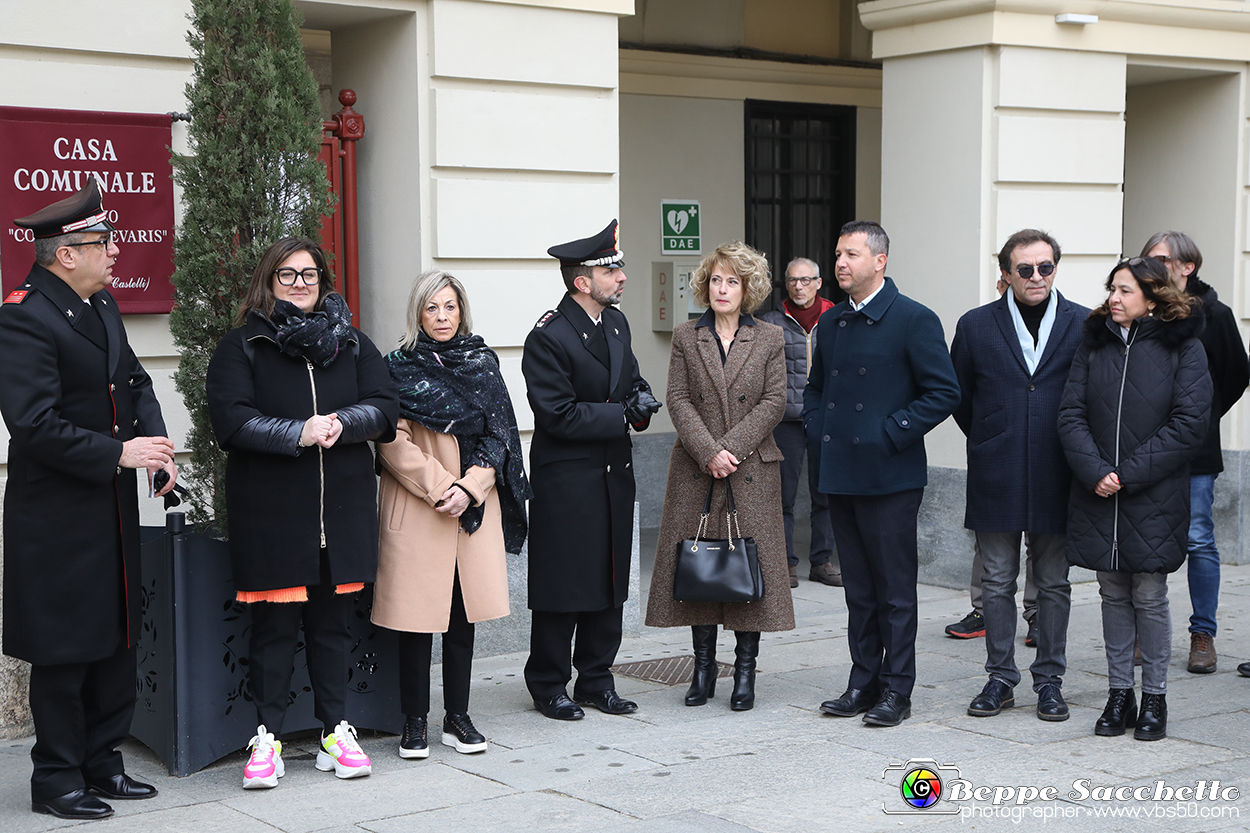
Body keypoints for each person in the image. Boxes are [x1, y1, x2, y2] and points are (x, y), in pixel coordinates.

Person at [0, 181, 177, 820]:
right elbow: (34, 423)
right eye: (103, 243)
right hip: (55, 517)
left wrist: (153, 445)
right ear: (65, 254)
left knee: (114, 639)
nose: (114, 253)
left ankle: (103, 763)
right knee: (65, 649)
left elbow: (131, 378)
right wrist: (117, 454)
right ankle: (56, 779)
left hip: (109, 509)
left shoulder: (99, 303)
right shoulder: (22, 313)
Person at [206, 237, 398, 787]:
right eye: (287, 275)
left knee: (333, 630)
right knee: (270, 633)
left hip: (341, 515)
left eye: (309, 274)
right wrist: (298, 432)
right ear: (269, 281)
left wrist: (344, 423)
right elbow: (233, 422)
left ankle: (335, 733)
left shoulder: (352, 343)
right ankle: (265, 739)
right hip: (273, 518)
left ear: (323, 281)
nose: (299, 284)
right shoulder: (244, 346)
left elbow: (385, 406)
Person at [803, 220, 960, 727]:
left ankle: (897, 689)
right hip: (840, 471)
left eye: (851, 254)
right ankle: (862, 681)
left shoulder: (914, 319)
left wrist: (890, 432)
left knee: (894, 590)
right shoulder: (831, 323)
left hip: (891, 475)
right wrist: (816, 425)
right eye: (837, 254)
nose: (840, 263)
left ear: (880, 261)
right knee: (858, 590)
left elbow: (943, 392)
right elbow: (816, 388)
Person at [373, 271, 530, 758]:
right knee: (418, 622)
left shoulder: (482, 363)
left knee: (464, 620)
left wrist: (473, 487)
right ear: (417, 315)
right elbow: (388, 439)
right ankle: (414, 721)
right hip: (422, 508)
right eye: (431, 309)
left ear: (461, 311)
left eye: (450, 307)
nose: (442, 317)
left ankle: (457, 717)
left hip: (473, 509)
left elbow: (501, 434)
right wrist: (444, 487)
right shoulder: (395, 367)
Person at [1058, 257, 1210, 742]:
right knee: (1111, 594)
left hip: (1152, 493)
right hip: (1099, 490)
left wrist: (1126, 474)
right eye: (1112, 289)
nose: (1114, 299)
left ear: (1153, 296)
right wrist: (1095, 470)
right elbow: (1070, 414)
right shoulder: (1095, 342)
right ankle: (1119, 693)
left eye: (1124, 290)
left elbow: (1189, 424)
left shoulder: (1184, 346)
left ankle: (1155, 698)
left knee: (1149, 594)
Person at [522, 220, 661, 720]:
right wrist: (620, 414)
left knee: (609, 581)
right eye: (611, 269)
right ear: (583, 281)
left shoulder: (616, 324)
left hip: (613, 475)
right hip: (568, 479)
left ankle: (597, 679)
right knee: (565, 586)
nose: (622, 276)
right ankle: (548, 683)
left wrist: (640, 400)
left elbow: (626, 378)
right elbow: (556, 414)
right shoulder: (548, 337)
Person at [646, 242, 794, 711]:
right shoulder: (688, 335)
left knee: (748, 568)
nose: (722, 288)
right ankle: (703, 668)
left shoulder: (770, 338)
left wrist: (731, 449)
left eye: (732, 280)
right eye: (715, 280)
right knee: (701, 568)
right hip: (696, 471)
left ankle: (745, 673)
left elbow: (775, 401)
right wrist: (710, 452)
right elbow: (678, 399)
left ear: (748, 288)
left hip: (751, 471)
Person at [950, 229, 1089, 722]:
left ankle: (1050, 679)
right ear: (1005, 274)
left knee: (1053, 582)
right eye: (1025, 269)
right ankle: (1000, 678)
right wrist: (993, 435)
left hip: (1059, 469)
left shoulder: (1083, 323)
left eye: (1045, 267)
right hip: (998, 465)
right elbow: (960, 396)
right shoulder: (976, 325)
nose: (1036, 277)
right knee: (995, 580)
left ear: (1056, 268)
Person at [1140, 232, 1248, 674]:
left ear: (1188, 267)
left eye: (1162, 259)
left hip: (1196, 452)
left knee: (1199, 538)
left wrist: (1198, 418)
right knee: (1143, 540)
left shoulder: (1216, 315)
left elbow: (1236, 375)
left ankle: (1202, 633)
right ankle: (1145, 633)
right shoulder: (1143, 312)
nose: (1154, 267)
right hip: (1144, 448)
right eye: (1149, 259)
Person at [758, 257, 840, 588]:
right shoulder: (770, 322)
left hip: (826, 419)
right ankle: (785, 562)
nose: (799, 287)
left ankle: (821, 561)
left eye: (806, 280)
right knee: (783, 497)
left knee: (827, 494)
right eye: (792, 281)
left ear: (819, 283)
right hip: (786, 420)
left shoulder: (837, 318)